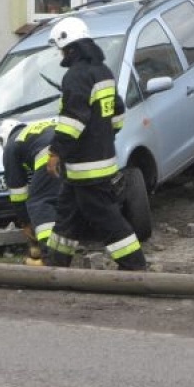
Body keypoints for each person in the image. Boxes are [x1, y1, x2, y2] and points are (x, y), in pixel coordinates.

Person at [43, 17, 146, 271]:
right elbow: (118, 113)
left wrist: (55, 152)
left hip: (85, 167)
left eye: (60, 47)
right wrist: (104, 135)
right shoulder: (104, 72)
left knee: (106, 217)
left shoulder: (76, 76)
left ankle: (134, 264)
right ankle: (55, 264)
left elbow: (72, 121)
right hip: (96, 161)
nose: (60, 54)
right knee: (66, 216)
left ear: (69, 47)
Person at [0, 117, 61, 265]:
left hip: (53, 157)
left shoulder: (12, 144)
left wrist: (26, 222)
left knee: (40, 202)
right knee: (65, 202)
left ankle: (50, 257)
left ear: (3, 139)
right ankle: (63, 252)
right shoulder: (35, 130)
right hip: (81, 153)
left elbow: (18, 192)